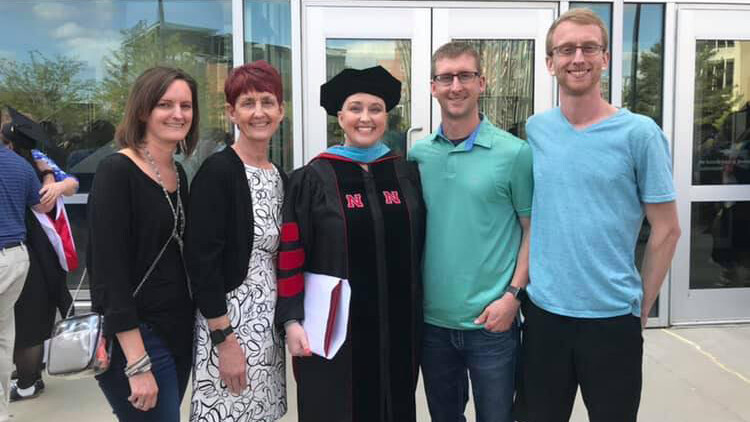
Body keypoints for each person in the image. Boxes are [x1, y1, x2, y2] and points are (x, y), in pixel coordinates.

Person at [513, 9, 681, 422]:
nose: (578, 57)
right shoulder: (536, 130)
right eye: (566, 49)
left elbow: (667, 229)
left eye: (589, 47)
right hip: (545, 315)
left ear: (605, 58)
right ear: (550, 62)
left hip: (611, 319)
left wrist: (640, 307)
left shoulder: (640, 134)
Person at [276, 65, 425, 421]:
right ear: (339, 117)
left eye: (375, 109)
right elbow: (291, 251)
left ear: (386, 117)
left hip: (399, 325)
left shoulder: (405, 173)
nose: (366, 118)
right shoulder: (312, 178)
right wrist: (292, 320)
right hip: (334, 329)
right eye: (356, 108)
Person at [408, 42, 533, 422]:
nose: (455, 86)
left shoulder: (514, 153)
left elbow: (534, 229)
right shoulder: (418, 155)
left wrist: (513, 296)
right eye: (446, 77)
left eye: (464, 75)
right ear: (433, 87)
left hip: (492, 323)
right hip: (432, 324)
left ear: (482, 82)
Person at [87, 66, 199, 421]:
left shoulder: (178, 173)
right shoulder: (116, 172)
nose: (178, 114)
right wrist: (136, 362)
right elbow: (107, 270)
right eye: (165, 104)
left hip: (177, 329)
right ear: (142, 111)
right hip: (137, 336)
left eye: (186, 105)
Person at [185, 60, 288, 421]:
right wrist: (224, 341)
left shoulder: (278, 176)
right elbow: (202, 262)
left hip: (268, 328)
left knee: (262, 413)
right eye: (247, 103)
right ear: (232, 112)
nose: (258, 112)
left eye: (267, 101)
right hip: (230, 324)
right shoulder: (219, 172)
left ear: (281, 110)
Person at [1, 108, 79, 402]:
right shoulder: (32, 165)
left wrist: (54, 182)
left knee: (23, 319)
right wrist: (50, 178)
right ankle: (27, 377)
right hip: (36, 251)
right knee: (27, 317)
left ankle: (27, 381)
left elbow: (69, 185)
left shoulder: (34, 165)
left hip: (32, 248)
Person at [0, 110, 54, 422]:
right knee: (5, 337)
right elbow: (40, 203)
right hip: (16, 259)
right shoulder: (20, 165)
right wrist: (47, 175)